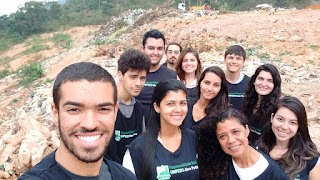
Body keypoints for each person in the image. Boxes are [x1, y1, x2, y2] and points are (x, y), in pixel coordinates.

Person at [19, 62, 136, 179]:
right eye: (74, 110)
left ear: (115, 112)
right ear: (56, 113)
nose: (90, 124)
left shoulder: (126, 177)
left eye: (103, 109)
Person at [123, 79, 199, 180]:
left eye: (182, 103)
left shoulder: (194, 139)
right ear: (157, 107)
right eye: (170, 104)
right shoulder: (138, 149)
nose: (178, 109)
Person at [198, 108, 289, 180]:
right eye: (222, 136)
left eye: (235, 132)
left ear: (247, 130)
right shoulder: (217, 168)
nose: (231, 140)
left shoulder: (274, 174)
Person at [104, 49, 151, 164]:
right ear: (120, 74)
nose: (138, 83)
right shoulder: (105, 106)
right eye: (133, 77)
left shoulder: (138, 108)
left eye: (142, 78)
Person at [258, 96, 320, 180]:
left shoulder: (311, 158)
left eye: (292, 122)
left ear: (299, 126)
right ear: (272, 118)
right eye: (280, 119)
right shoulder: (258, 150)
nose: (284, 127)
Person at [136, 29, 177, 121]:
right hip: (135, 128)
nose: (155, 53)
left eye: (159, 49)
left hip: (160, 128)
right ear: (142, 49)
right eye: (151, 48)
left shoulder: (171, 76)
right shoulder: (133, 74)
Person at [241, 64, 281, 145]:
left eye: (270, 81)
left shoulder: (277, 109)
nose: (263, 84)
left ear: (275, 85)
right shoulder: (248, 103)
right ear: (254, 81)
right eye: (261, 79)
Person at [182, 66, 229, 130]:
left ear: (221, 88)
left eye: (216, 85)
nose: (210, 89)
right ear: (200, 82)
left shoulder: (223, 115)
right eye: (207, 83)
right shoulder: (185, 106)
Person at [224, 45, 250, 110]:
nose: (234, 62)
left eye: (238, 59)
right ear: (225, 60)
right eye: (230, 58)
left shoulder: (249, 83)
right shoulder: (218, 81)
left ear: (243, 62)